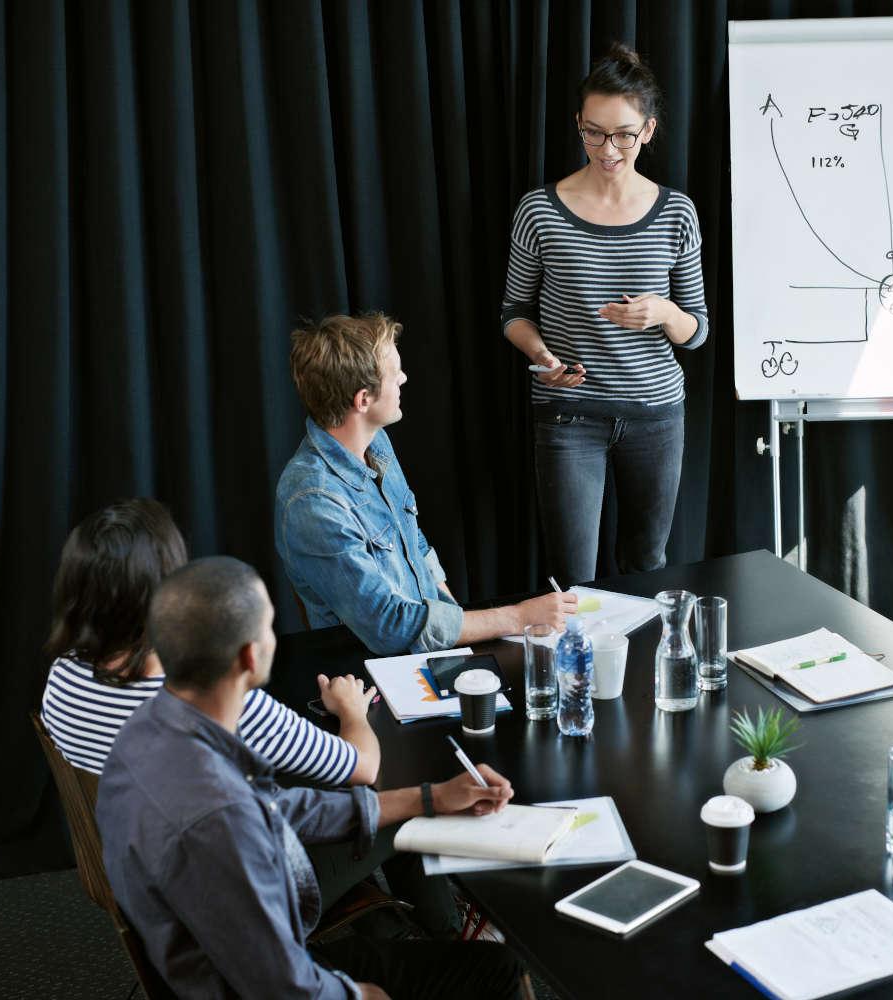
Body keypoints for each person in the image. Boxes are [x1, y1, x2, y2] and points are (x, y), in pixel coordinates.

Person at [97, 556, 524, 999]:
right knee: (500, 971)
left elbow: (280, 809)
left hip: (198, 962)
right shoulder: (221, 822)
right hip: (241, 984)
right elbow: (283, 986)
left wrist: (429, 798)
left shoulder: (146, 732)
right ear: (249, 655)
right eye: (268, 627)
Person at [40, 498, 456, 937]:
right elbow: (362, 765)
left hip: (141, 874)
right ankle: (455, 948)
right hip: (235, 896)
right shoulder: (217, 702)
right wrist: (352, 711)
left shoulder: (63, 677)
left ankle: (383, 935)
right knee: (404, 799)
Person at [502, 42, 709, 586]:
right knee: (572, 580)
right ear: (578, 125)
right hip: (568, 413)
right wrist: (542, 354)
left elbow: (697, 331)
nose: (607, 147)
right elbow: (513, 313)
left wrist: (663, 311)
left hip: (656, 416)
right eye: (593, 132)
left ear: (648, 130)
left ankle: (642, 670)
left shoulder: (677, 211)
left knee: (646, 568)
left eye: (621, 134)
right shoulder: (539, 209)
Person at [275, 312, 577, 654]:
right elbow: (390, 625)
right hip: (371, 670)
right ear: (363, 400)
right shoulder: (313, 501)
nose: (404, 378)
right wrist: (518, 616)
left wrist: (458, 623)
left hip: (427, 647)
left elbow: (413, 543)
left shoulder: (376, 444)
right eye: (394, 374)